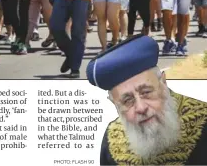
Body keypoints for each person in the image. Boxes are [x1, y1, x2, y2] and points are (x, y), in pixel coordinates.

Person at [86, 35, 207, 166]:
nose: (141, 108)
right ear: (115, 104)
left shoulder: (204, 121)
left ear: (163, 83)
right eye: (127, 100)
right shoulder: (112, 139)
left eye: (146, 92)